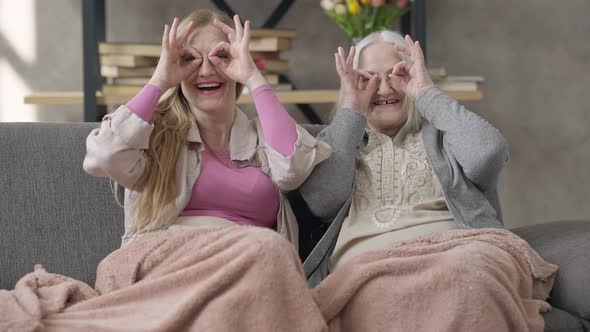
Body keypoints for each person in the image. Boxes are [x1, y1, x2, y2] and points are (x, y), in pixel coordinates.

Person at [0, 10, 329, 331]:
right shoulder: (154, 133)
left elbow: (294, 168)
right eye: (190, 58)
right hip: (160, 263)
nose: (205, 70)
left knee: (262, 266)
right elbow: (101, 157)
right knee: (269, 248)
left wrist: (255, 78)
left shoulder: (263, 137)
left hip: (244, 272)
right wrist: (160, 79)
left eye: (220, 56)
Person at [299, 31, 558, 331]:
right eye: (367, 78)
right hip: (370, 269)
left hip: (457, 257)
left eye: (398, 74)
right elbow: (321, 200)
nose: (383, 88)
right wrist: (351, 109)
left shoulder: (446, 139)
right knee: (377, 294)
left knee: (468, 276)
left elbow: (489, 153)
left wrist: (424, 91)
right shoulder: (339, 143)